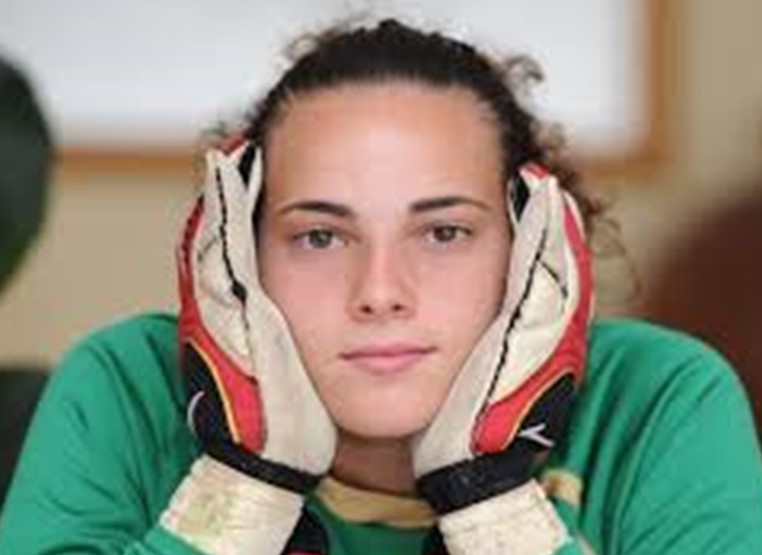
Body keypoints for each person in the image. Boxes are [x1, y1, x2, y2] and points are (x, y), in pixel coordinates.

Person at [1, 18, 761, 555]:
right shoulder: (125, 386)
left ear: (535, 248)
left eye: (443, 233)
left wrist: (492, 503)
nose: (380, 291)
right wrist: (244, 491)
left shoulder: (657, 400)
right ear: (236, 251)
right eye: (320, 236)